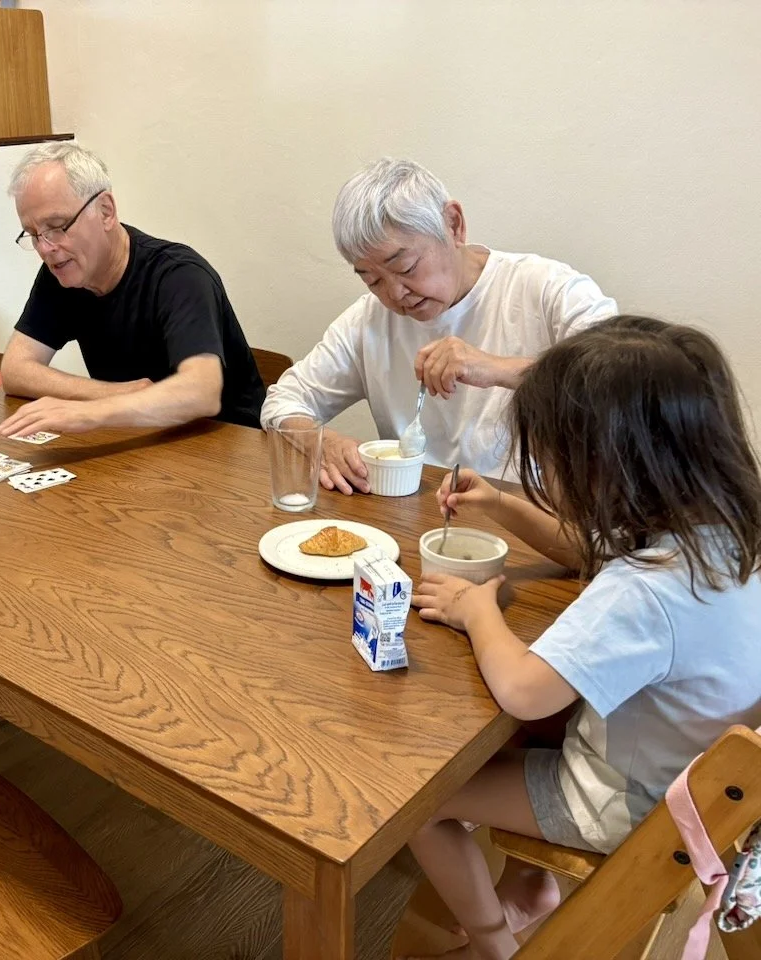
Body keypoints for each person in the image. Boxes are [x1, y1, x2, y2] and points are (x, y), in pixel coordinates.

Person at [402, 316, 761, 960]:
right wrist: (501, 505)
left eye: (549, 460)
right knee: (525, 732)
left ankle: (493, 944)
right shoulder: (721, 534)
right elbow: (585, 550)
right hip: (694, 780)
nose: (545, 473)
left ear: (602, 465)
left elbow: (524, 691)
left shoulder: (645, 590)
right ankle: (530, 887)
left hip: (630, 804)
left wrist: (477, 611)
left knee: (420, 802)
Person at [260, 158, 617, 493]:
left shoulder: (547, 289)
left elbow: (624, 389)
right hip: (416, 513)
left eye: (406, 267)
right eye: (373, 280)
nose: (396, 294)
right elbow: (282, 400)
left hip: (529, 516)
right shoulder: (369, 320)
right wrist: (324, 442)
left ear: (453, 225)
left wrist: (496, 368)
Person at [0, 142, 266, 438]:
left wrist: (88, 412)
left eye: (57, 226)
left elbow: (201, 392)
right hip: (141, 440)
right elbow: (15, 369)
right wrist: (111, 394)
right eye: (34, 234)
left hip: (228, 445)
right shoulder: (63, 272)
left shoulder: (179, 275)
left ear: (105, 211)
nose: (46, 248)